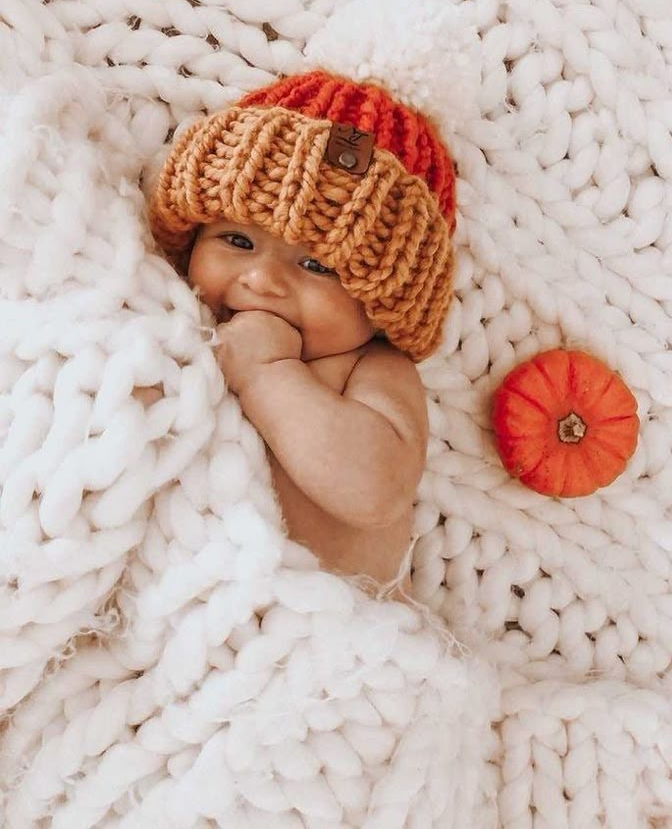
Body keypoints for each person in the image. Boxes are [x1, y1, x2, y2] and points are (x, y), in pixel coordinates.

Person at [145, 59, 464, 599]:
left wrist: (269, 376)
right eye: (237, 242)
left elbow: (375, 489)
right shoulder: (176, 321)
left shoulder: (370, 369)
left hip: (328, 636)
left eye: (316, 267)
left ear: (381, 305)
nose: (263, 280)